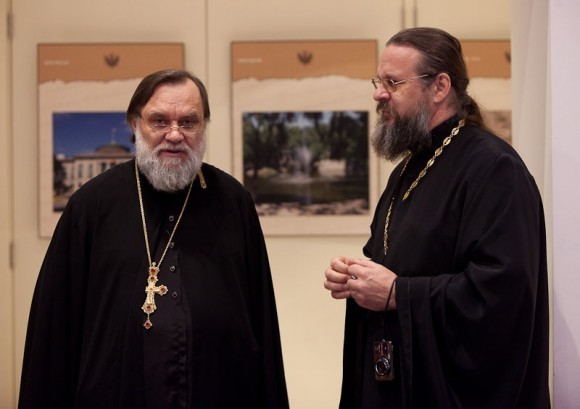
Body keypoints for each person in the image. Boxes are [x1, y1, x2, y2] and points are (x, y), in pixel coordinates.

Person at [19, 69, 289, 409]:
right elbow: (54, 330)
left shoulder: (234, 201)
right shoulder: (91, 205)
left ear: (203, 126)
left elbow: (262, 321)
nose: (174, 135)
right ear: (136, 124)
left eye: (188, 122)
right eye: (159, 121)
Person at [324, 27, 550, 409]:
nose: (379, 94)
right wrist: (355, 276)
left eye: (393, 83)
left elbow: (502, 296)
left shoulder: (495, 169)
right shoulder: (408, 169)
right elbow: (395, 262)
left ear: (440, 87)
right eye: (379, 82)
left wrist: (397, 294)